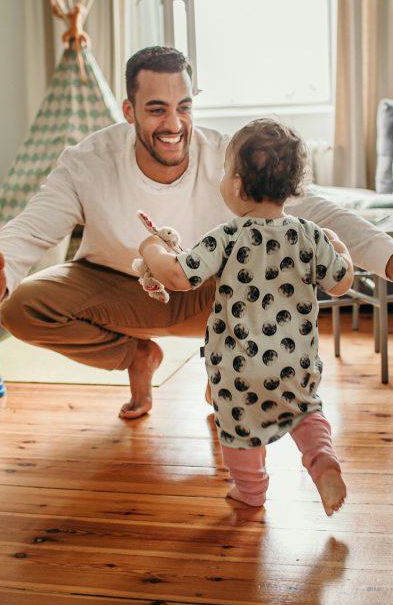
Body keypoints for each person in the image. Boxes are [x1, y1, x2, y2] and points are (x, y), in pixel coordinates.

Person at [0, 46, 393, 419]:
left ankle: (225, 370)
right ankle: (137, 357)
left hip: (211, 296)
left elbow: (317, 212)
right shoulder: (88, 161)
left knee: (271, 262)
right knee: (21, 309)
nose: (174, 124)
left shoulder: (229, 156)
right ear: (128, 111)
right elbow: (32, 226)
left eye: (184, 106)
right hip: (115, 287)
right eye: (157, 109)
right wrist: (0, 274)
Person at [140, 119, 352, 515]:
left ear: (236, 185)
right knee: (304, 410)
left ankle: (251, 491)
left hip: (237, 368)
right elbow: (341, 282)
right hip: (295, 362)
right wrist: (342, 250)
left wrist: (152, 248)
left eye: (225, 170)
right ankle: (321, 458)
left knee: (239, 426)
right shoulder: (310, 235)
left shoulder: (227, 235)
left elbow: (178, 275)